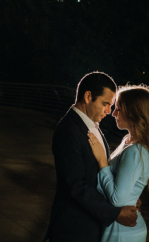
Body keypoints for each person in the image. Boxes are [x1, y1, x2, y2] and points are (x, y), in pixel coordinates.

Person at [44, 72, 139, 242]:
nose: (109, 111)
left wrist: (127, 195)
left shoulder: (91, 125)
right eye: (105, 104)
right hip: (74, 229)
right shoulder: (68, 130)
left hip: (91, 225)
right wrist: (114, 213)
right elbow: (76, 186)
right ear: (88, 96)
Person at [87, 84, 149, 242]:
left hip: (122, 232)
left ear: (134, 113)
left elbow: (117, 199)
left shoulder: (136, 152)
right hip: (121, 227)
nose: (113, 113)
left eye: (118, 108)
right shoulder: (128, 141)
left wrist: (101, 161)